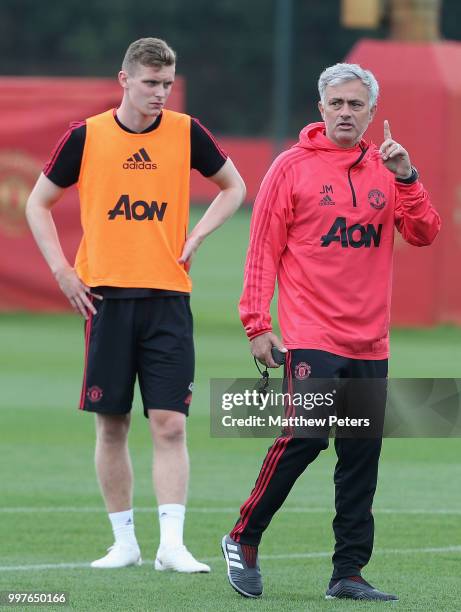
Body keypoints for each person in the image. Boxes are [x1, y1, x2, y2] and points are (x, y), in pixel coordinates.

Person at [221, 63, 440, 600]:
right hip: (309, 333)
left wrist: (408, 176)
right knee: (307, 433)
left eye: (356, 105)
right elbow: (261, 252)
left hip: (371, 341)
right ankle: (243, 536)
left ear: (371, 113)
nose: (346, 112)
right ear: (320, 109)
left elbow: (425, 232)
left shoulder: (389, 168)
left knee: (361, 458)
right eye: (337, 103)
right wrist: (256, 325)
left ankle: (347, 574)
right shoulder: (290, 167)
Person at [26, 37, 245, 572]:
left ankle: (172, 546)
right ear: (124, 80)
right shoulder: (87, 135)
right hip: (105, 299)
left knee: (170, 423)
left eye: (167, 84)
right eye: (150, 83)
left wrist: (197, 236)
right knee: (112, 423)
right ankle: (123, 542)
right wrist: (61, 269)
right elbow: (38, 202)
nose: (160, 94)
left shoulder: (186, 132)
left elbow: (233, 187)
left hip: (168, 298)